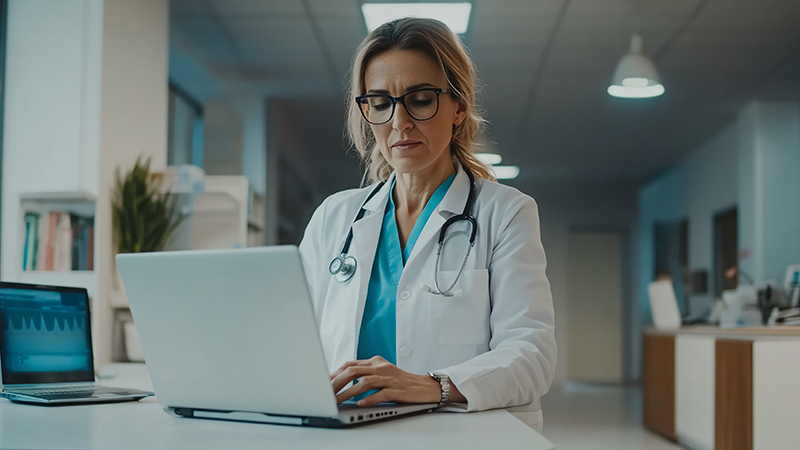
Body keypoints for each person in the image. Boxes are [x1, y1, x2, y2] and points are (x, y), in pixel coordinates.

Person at [298, 17, 556, 430]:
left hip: (454, 433)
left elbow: (531, 355)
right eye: (380, 103)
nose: (399, 122)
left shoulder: (505, 213)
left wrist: (435, 386)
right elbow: (294, 340)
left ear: (458, 106)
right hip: (345, 432)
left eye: (419, 99)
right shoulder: (335, 217)